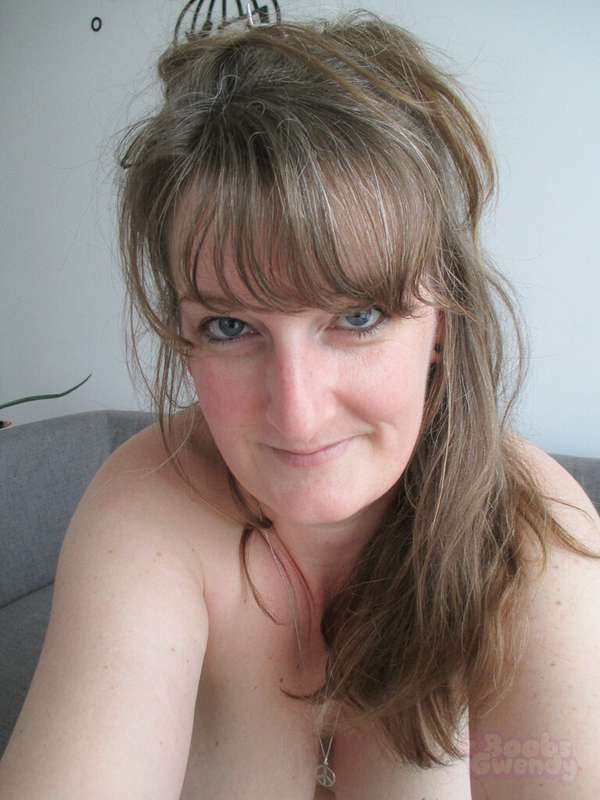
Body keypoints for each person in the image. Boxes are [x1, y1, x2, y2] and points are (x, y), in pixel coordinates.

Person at [1, 7, 599, 800]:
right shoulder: (149, 509)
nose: (297, 413)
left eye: (358, 317)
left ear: (444, 322)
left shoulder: (528, 532)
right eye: (230, 327)